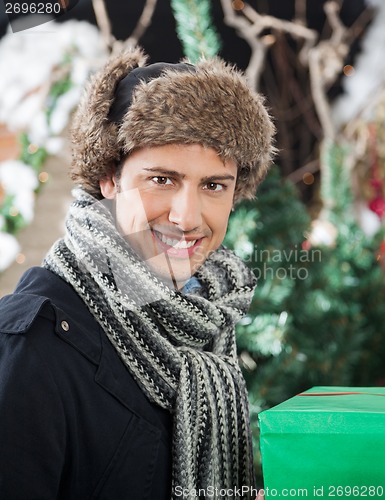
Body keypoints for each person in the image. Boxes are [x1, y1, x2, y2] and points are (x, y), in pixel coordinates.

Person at [0, 47, 275, 499]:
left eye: (213, 186)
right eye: (162, 179)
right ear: (110, 177)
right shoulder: (32, 345)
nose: (187, 217)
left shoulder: (202, 321)